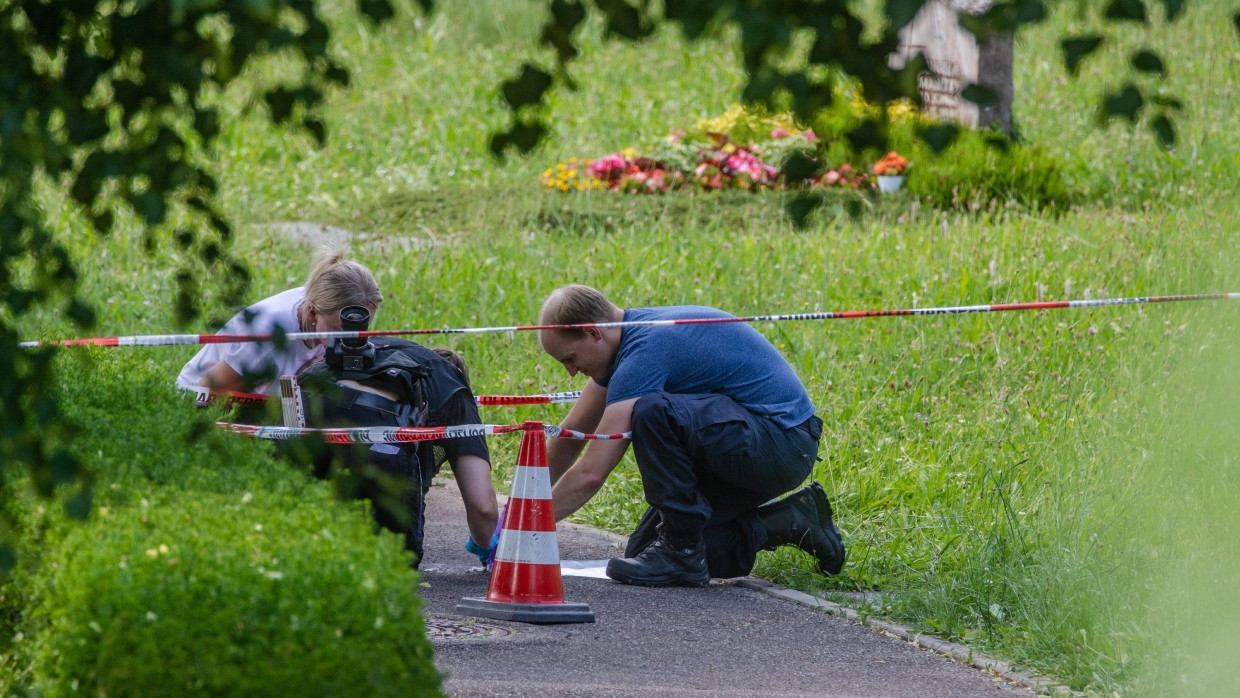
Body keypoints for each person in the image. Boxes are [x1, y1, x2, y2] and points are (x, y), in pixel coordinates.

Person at [537, 284, 845, 587]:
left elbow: (591, 473)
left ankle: (680, 550)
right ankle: (789, 521)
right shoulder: (622, 345)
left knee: (653, 412)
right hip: (751, 440)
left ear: (593, 332)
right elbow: (570, 439)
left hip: (785, 442)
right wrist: (519, 505)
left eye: (569, 358)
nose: (571, 372)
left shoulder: (644, 352)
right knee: (643, 553)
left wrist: (529, 526)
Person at [298, 336, 500, 569]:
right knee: (395, 563)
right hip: (378, 428)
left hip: (304, 405)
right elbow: (483, 508)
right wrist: (484, 542)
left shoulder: (381, 349)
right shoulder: (452, 387)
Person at [176, 247, 381, 397]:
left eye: (362, 327)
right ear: (312, 314)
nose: (351, 338)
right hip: (200, 402)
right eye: (339, 330)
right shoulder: (269, 332)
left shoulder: (324, 302)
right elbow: (208, 391)